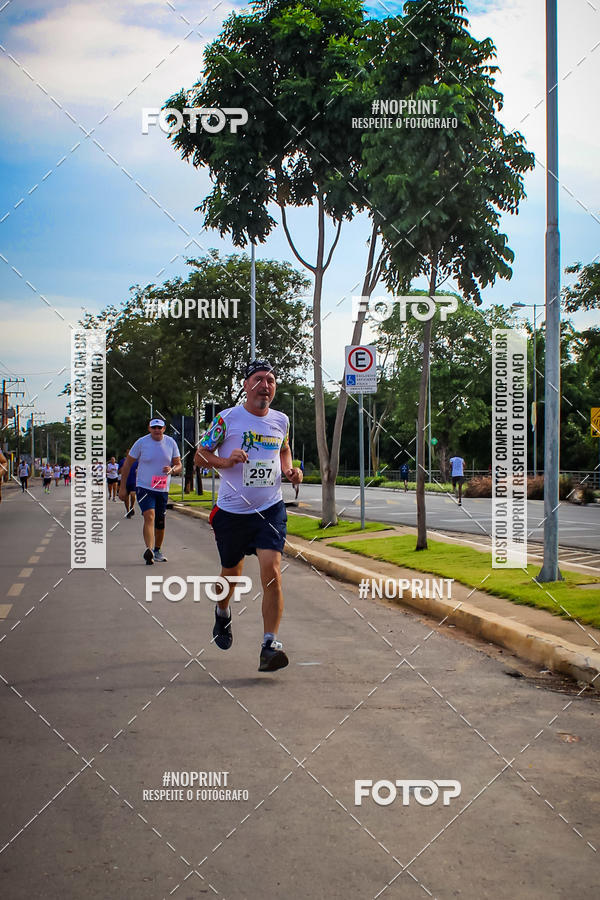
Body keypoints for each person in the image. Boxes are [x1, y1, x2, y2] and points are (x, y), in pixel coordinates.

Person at [195, 360, 303, 673]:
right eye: (259, 379)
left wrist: (288, 469)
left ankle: (270, 644)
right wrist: (225, 461)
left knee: (272, 571)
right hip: (232, 513)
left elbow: (283, 449)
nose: (265, 386)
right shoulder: (227, 419)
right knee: (231, 572)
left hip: (270, 509)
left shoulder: (280, 420)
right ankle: (222, 610)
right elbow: (199, 456)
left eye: (270, 380)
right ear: (246, 385)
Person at [118, 419, 181, 564]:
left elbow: (178, 464)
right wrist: (122, 488)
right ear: (149, 428)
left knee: (160, 520)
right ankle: (149, 550)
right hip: (144, 486)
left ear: (164, 428)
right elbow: (127, 465)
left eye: (159, 427)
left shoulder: (171, 443)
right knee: (149, 516)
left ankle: (157, 550)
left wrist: (172, 470)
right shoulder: (141, 443)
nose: (157, 430)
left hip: (162, 488)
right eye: (154, 428)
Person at [119, 449, 138, 519]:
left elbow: (139, 469)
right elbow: (119, 471)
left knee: (133, 495)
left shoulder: (136, 461)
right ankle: (128, 511)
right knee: (126, 497)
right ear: (126, 453)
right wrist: (121, 469)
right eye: (128, 452)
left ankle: (132, 507)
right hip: (125, 481)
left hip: (133, 481)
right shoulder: (122, 461)